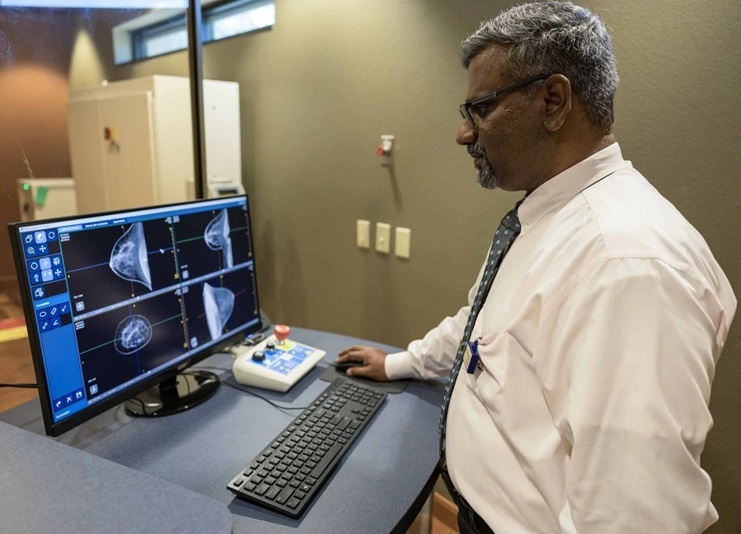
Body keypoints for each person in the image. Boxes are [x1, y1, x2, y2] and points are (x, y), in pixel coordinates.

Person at [336, 2, 736, 533]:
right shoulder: (545, 216)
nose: (463, 133)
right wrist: (399, 364)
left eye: (479, 107)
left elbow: (633, 517)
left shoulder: (628, 265)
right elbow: (479, 327)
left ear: (553, 101)